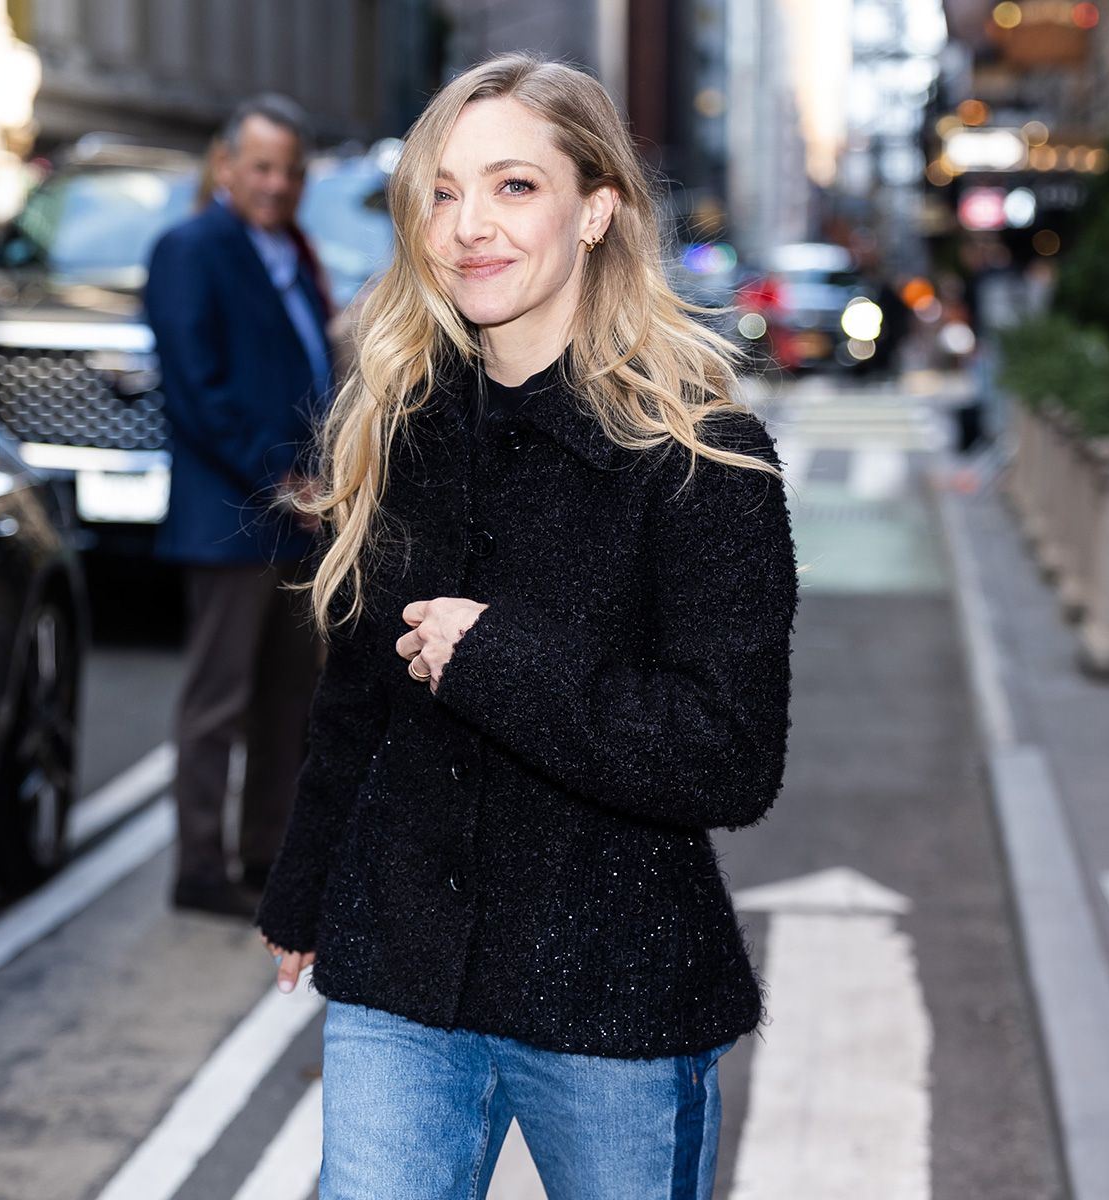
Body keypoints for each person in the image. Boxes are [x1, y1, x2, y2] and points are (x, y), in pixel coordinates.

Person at [257, 55, 796, 1197]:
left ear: (596, 208)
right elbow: (356, 696)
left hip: (610, 994)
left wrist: (498, 659)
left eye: (512, 187)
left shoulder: (702, 458)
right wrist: (303, 886)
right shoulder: (398, 429)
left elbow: (730, 756)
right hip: (401, 973)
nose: (467, 228)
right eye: (442, 193)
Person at [145, 95, 331, 918]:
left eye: (290, 169)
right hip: (233, 514)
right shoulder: (191, 248)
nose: (276, 182)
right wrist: (282, 478)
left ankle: (266, 856)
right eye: (260, 166)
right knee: (216, 703)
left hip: (299, 513)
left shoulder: (290, 249)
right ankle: (198, 867)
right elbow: (198, 392)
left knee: (288, 700)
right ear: (225, 167)